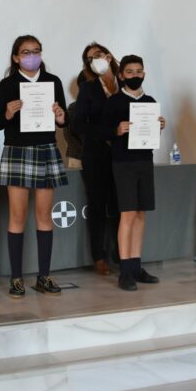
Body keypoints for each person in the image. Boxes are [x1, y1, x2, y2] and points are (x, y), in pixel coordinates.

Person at [0, 35, 68, 299]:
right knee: (17, 216)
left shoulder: (53, 81)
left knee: (45, 217)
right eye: (26, 52)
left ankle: (43, 276)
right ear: (16, 57)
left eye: (36, 51)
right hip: (18, 151)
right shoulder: (8, 84)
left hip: (46, 149)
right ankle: (16, 279)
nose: (31, 56)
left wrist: (60, 117)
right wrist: (8, 113)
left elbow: (63, 119)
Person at [100, 55, 166, 291]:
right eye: (130, 71)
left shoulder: (150, 101)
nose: (135, 75)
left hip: (144, 161)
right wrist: (117, 130)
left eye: (139, 71)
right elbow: (103, 133)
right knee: (127, 215)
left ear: (144, 74)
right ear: (121, 75)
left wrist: (159, 127)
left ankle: (137, 266)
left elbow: (150, 138)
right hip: (123, 163)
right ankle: (125, 270)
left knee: (140, 215)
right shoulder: (114, 102)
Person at [71, 42, 120, 275]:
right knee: (98, 207)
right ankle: (99, 257)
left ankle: (123, 254)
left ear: (109, 56)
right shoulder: (88, 89)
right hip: (96, 156)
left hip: (123, 155)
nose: (95, 60)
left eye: (98, 55)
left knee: (122, 206)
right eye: (90, 59)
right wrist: (109, 134)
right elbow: (78, 124)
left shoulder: (126, 83)